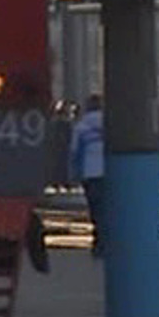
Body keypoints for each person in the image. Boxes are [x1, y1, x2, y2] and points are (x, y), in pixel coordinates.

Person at [68, 94, 106, 257]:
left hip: (90, 172)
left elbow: (75, 152)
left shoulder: (81, 127)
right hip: (109, 172)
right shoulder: (110, 123)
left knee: (95, 209)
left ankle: (98, 242)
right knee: (109, 207)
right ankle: (107, 239)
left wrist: (74, 174)